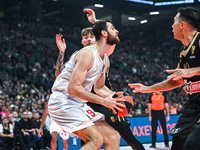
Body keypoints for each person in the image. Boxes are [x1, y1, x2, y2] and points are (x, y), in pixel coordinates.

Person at [48, 15, 125, 150]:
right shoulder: (87, 54)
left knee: (113, 137)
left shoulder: (104, 59)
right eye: (113, 28)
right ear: (104, 34)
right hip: (63, 100)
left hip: (78, 103)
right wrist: (103, 101)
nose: (117, 31)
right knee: (96, 139)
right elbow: (73, 88)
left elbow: (100, 87)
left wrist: (114, 98)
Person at [128, 7, 200, 150]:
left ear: (182, 25)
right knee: (178, 143)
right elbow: (176, 81)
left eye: (174, 22)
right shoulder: (183, 51)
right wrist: (148, 88)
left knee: (192, 144)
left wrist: (192, 71)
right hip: (193, 105)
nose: (171, 26)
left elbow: (188, 73)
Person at [81, 8, 145, 150]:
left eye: (91, 36)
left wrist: (95, 22)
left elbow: (110, 41)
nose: (88, 39)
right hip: (89, 103)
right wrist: (61, 53)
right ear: (81, 41)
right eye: (85, 37)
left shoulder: (103, 55)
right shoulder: (81, 57)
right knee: (91, 141)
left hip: (107, 101)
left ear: (96, 37)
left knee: (127, 137)